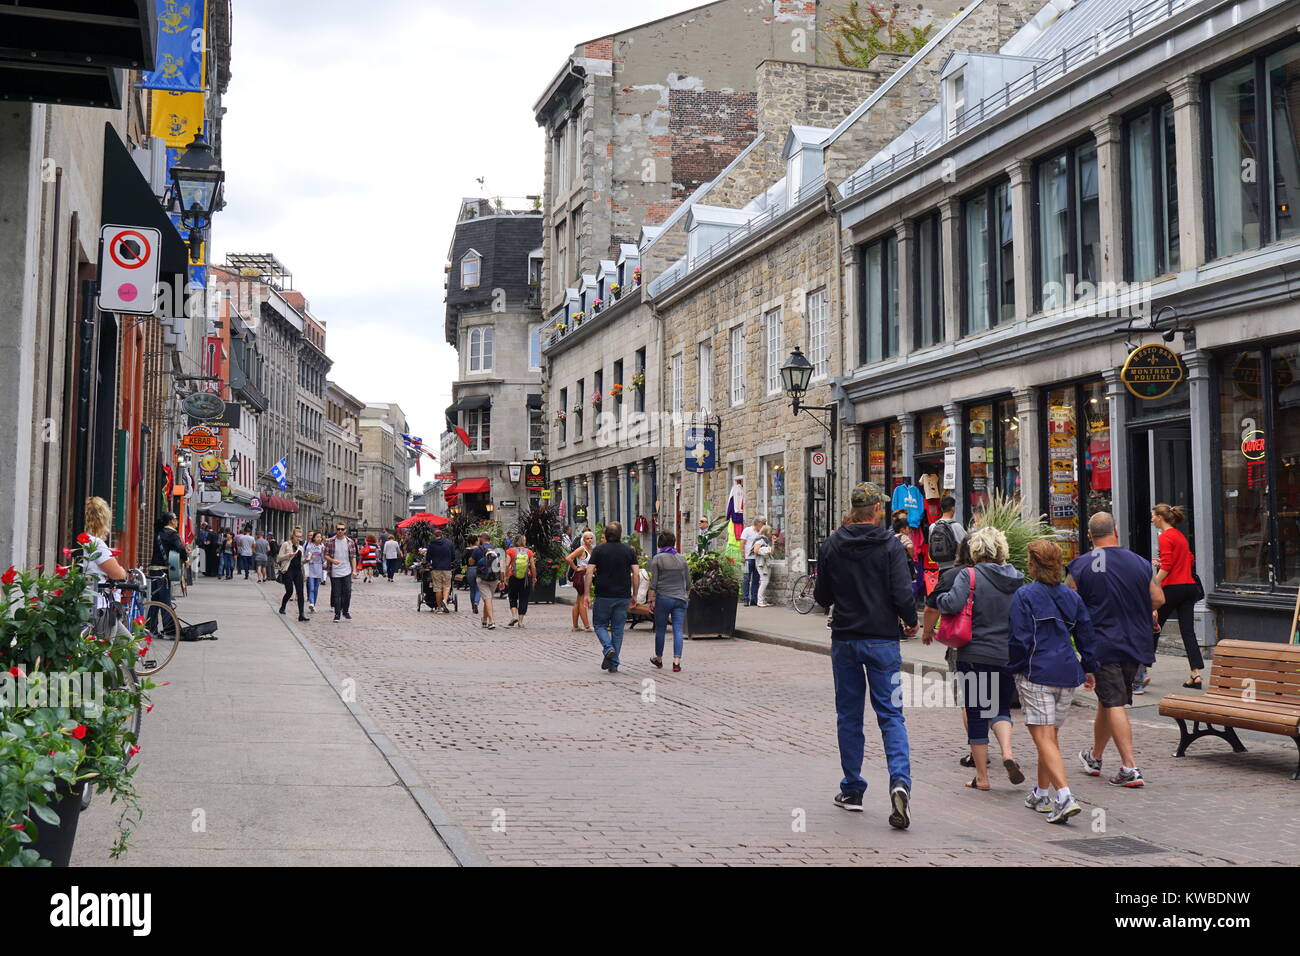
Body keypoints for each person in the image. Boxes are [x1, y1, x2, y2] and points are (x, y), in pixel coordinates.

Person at [813, 482, 917, 829]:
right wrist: (912, 621)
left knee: (849, 715)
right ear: (874, 511)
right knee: (891, 715)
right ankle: (899, 782)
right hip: (883, 640)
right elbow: (903, 593)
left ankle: (853, 789)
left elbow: (823, 595)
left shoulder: (831, 545)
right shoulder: (890, 546)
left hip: (845, 639)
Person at [1069, 512, 1164, 789]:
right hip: (1135, 642)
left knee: (1114, 703)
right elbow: (1158, 598)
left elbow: (1068, 603)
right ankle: (1095, 757)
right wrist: (1137, 611)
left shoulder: (1080, 565)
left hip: (1101, 643)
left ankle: (1130, 767)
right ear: (1116, 532)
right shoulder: (1139, 563)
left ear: (1089, 536)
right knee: (1108, 700)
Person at [1008, 540, 1097, 824]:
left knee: (1043, 737)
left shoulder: (1024, 595)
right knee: (1050, 737)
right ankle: (1041, 792)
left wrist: (1014, 668)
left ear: (1032, 565)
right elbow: (1086, 635)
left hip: (1037, 671)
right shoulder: (1072, 597)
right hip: (1067, 672)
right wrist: (1089, 667)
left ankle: (1064, 796)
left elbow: (1019, 639)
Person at [935, 526, 1025, 792]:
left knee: (976, 713)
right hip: (1006, 653)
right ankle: (1007, 753)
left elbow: (951, 603)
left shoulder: (969, 575)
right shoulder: (1016, 577)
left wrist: (940, 597)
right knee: (1000, 708)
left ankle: (983, 778)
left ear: (976, 550)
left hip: (974, 653)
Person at [1149, 503, 1202, 689]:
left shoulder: (1165, 537)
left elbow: (1168, 566)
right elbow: (1188, 559)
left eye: (1153, 516)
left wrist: (1153, 583)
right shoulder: (1179, 536)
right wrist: (1163, 562)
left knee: (1153, 627)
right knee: (1188, 631)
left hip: (1172, 588)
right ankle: (1196, 673)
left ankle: (1141, 671)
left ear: (1161, 518)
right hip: (1188, 587)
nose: (1152, 519)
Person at [588, 522, 639, 674]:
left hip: (603, 594)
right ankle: (614, 664)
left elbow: (589, 572)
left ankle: (608, 648)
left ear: (606, 534)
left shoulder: (598, 550)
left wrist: (586, 593)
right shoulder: (629, 550)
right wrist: (635, 594)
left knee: (599, 625)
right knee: (618, 630)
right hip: (623, 595)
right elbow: (636, 573)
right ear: (620, 534)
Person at [648, 531, 691, 672]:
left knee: (660, 629)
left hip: (664, 597)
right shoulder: (681, 558)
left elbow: (653, 583)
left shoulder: (657, 559)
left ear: (660, 543)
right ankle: (676, 661)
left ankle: (659, 659)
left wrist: (651, 599)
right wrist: (686, 594)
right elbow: (688, 582)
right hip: (680, 598)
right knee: (678, 629)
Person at [81, 497, 128, 609]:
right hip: (100, 606)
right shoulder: (95, 543)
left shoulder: (83, 540)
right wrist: (120, 572)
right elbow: (119, 575)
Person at [323, 522, 358, 622]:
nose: (340, 531)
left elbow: (353, 557)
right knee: (337, 594)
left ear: (345, 530)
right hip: (335, 571)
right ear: (336, 530)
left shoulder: (350, 542)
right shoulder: (330, 541)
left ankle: (345, 611)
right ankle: (337, 614)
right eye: (338, 529)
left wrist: (354, 570)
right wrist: (333, 561)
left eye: (342, 529)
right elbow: (325, 555)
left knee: (347, 592)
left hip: (346, 570)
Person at [504, 533, 537, 628]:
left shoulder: (510, 551)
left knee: (512, 597)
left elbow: (507, 565)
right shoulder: (529, 552)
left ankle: (514, 616)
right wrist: (534, 577)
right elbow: (533, 566)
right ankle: (521, 621)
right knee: (524, 599)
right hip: (526, 578)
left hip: (513, 577)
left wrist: (506, 576)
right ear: (523, 541)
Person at [277, 527, 309, 621]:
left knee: (300, 592)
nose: (299, 538)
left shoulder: (301, 547)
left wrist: (306, 560)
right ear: (293, 536)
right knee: (289, 591)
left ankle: (301, 614)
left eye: (300, 537)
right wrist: (288, 555)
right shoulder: (286, 544)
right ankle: (282, 607)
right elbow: (279, 558)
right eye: (297, 536)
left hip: (298, 571)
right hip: (288, 570)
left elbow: (301, 561)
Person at [927, 495, 967, 571]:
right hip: (954, 568)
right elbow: (966, 545)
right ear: (953, 508)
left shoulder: (932, 526)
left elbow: (931, 544)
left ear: (941, 509)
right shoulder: (956, 526)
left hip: (940, 567)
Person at [566, 530, 595, 631]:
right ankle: (587, 626)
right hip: (581, 576)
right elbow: (569, 558)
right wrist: (576, 568)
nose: (590, 540)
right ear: (583, 539)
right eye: (587, 538)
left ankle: (575, 625)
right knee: (582, 600)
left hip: (585, 575)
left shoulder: (590, 549)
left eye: (591, 538)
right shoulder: (582, 549)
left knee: (578, 601)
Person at [425, 527, 455, 613]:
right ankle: (445, 600)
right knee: (446, 586)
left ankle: (439, 608)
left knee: (437, 588)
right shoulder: (449, 543)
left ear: (434, 535)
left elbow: (428, 558)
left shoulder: (431, 544)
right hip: (447, 568)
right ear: (442, 535)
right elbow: (453, 556)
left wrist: (430, 562)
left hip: (436, 568)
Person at [474, 533, 499, 629]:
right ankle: (484, 619)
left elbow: (472, 562)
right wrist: (502, 579)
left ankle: (491, 621)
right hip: (494, 579)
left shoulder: (478, 550)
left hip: (482, 579)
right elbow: (501, 566)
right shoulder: (496, 549)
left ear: (482, 539)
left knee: (487, 599)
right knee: (488, 599)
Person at [740, 516, 764, 607]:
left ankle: (754, 599)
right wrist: (743, 556)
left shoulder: (761, 532)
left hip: (758, 559)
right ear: (758, 523)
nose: (763, 525)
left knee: (756, 579)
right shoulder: (747, 530)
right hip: (748, 559)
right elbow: (742, 543)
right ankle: (746, 599)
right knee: (746, 579)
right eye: (763, 523)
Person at [753, 523, 775, 607]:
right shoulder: (760, 539)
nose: (771, 533)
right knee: (764, 581)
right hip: (761, 563)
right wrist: (765, 550)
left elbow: (772, 552)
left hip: (766, 563)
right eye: (770, 531)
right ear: (766, 532)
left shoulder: (767, 540)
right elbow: (755, 550)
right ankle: (760, 601)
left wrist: (773, 542)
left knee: (765, 581)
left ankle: (763, 600)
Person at [304, 531, 325, 613]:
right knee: (311, 587)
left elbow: (324, 558)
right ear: (314, 538)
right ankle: (311, 603)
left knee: (316, 588)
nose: (319, 538)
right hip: (311, 569)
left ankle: (313, 604)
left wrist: (325, 562)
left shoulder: (322, 547)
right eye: (317, 537)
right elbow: (305, 557)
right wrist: (309, 557)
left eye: (320, 537)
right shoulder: (309, 546)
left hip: (319, 569)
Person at [463, 534, 482, 614]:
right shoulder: (480, 549)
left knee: (472, 589)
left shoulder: (466, 550)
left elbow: (463, 560)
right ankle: (476, 603)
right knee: (478, 588)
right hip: (478, 569)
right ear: (476, 541)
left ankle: (472, 607)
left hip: (470, 569)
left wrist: (466, 567)